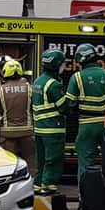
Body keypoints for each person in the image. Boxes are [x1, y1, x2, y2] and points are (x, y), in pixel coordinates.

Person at [66, 43, 105, 201]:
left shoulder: (76, 77)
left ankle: (86, 200)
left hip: (86, 125)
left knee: (85, 162)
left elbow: (69, 104)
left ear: (80, 59)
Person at [0, 59, 36, 175]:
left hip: (8, 132)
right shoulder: (30, 88)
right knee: (30, 160)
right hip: (27, 132)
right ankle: (31, 182)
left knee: (10, 162)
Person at [32, 49, 69, 194]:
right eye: (62, 64)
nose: (63, 67)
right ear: (55, 65)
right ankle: (48, 185)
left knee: (41, 160)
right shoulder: (54, 85)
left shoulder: (38, 81)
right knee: (53, 159)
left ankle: (38, 183)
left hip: (40, 128)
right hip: (53, 128)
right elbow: (64, 107)